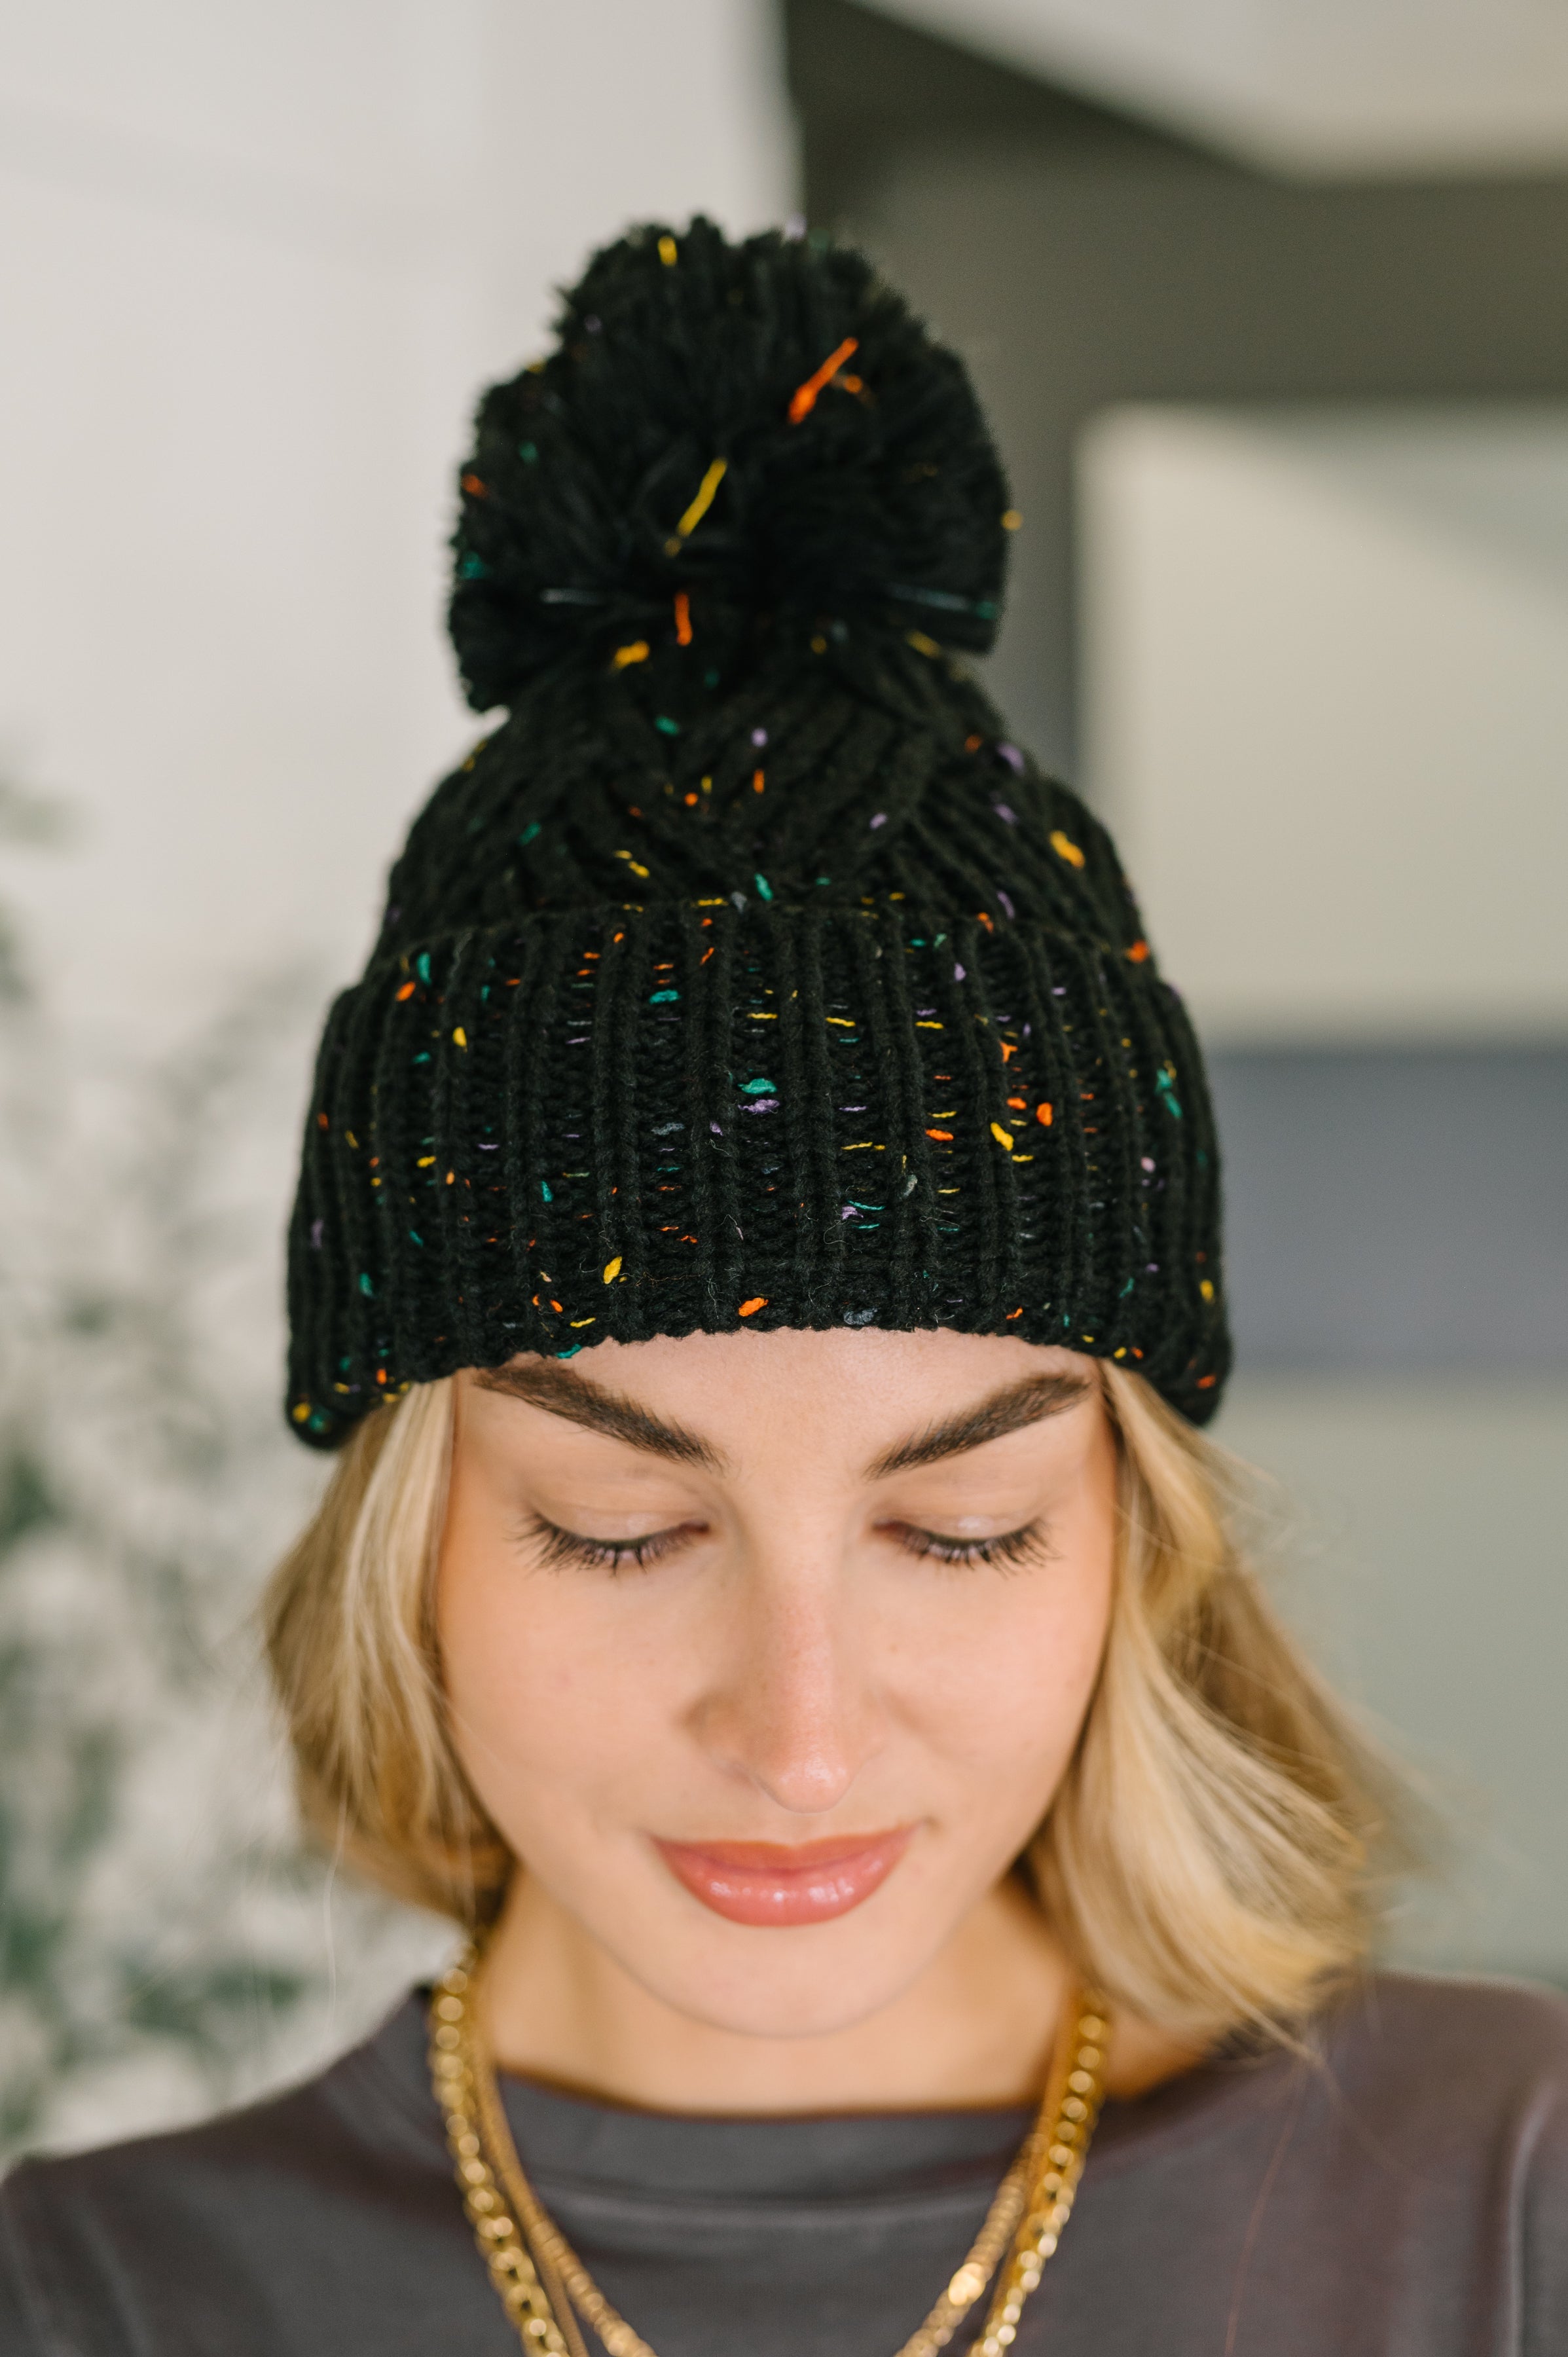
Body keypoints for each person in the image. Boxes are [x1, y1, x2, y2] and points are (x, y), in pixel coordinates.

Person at [1, 216, 1563, 2357]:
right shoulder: (93, 2300)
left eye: (960, 1526)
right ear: (410, 1543)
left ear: (1127, 1546)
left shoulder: (1506, 2210)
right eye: (619, 1529)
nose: (800, 1737)